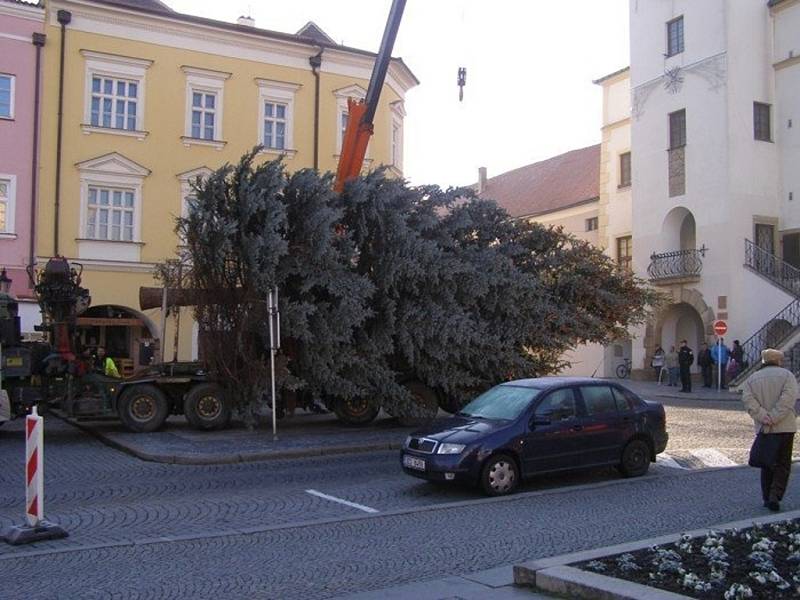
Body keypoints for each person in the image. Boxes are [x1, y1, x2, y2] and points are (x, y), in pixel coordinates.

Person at [741, 348, 798, 512]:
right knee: (783, 463)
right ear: (779, 361)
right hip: (785, 426)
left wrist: (763, 416)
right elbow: (788, 399)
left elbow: (748, 400)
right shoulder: (787, 376)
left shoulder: (752, 379)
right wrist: (774, 416)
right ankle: (775, 495)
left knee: (767, 463)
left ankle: (766, 497)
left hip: (764, 427)